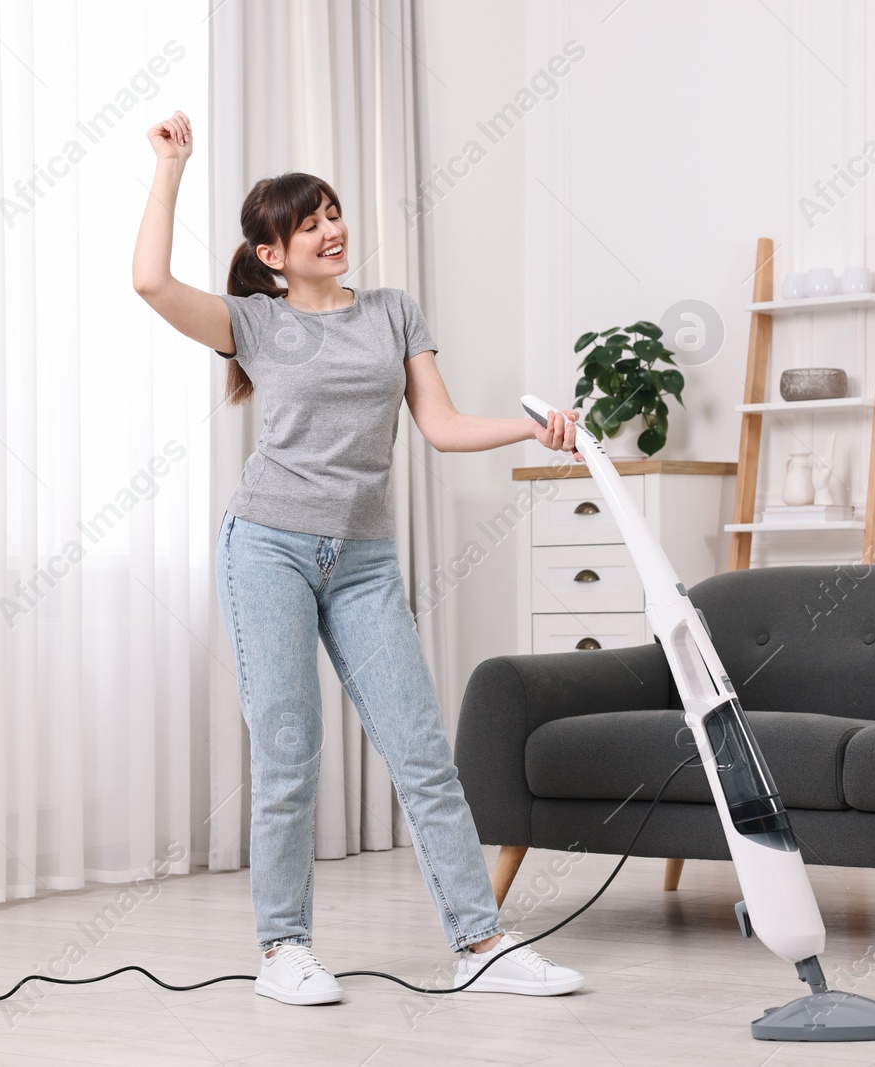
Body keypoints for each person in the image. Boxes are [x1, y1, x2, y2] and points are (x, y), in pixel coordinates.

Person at [132, 110, 586, 1005]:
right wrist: (171, 167)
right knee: (290, 749)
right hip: (267, 547)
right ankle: (283, 950)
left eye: (333, 212)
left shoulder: (391, 311)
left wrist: (534, 427)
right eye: (310, 223)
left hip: (365, 559)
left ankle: (482, 943)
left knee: (421, 749)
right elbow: (149, 282)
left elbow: (444, 426)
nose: (333, 229)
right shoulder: (253, 325)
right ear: (272, 253)